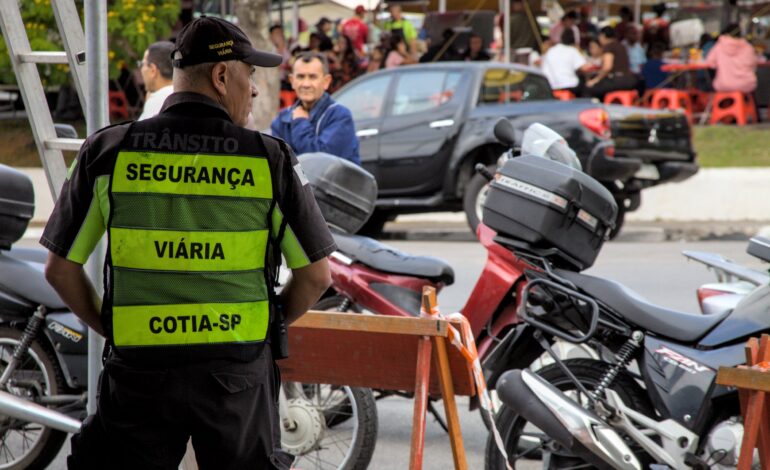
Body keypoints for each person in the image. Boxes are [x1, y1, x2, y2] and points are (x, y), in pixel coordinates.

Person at [42, 16, 334, 470]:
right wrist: (263, 329)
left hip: (139, 376)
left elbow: (60, 270)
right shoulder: (269, 160)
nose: (254, 89)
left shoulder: (108, 153)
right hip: (236, 377)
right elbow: (317, 276)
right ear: (221, 77)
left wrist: (114, 325)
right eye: (249, 74)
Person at [271, 52, 361, 165]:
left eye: (312, 77)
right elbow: (277, 163)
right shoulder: (282, 118)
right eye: (300, 77)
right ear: (292, 81)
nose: (306, 84)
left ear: (326, 81)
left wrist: (300, 122)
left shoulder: (340, 116)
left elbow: (318, 163)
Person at [584, 26, 637, 100]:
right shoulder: (621, 46)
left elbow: (607, 67)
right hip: (629, 80)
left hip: (617, 80)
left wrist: (595, 80)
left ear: (603, 36)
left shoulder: (608, 47)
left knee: (588, 88)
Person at [705, 23, 758, 94]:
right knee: (750, 95)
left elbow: (710, 63)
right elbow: (753, 66)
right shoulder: (748, 47)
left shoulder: (719, 46)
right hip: (745, 84)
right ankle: (749, 104)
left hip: (723, 84)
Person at [541, 29, 591, 95]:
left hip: (551, 86)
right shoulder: (572, 50)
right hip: (570, 85)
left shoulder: (551, 51)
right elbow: (585, 68)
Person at [137, 41, 175, 120]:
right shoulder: (184, 95)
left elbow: (141, 130)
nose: (141, 69)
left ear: (153, 70)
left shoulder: (157, 101)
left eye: (142, 64)